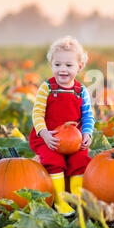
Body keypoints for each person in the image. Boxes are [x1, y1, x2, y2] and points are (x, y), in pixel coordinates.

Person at [29, 36, 95, 216]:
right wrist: (44, 134)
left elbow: (88, 115)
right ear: (51, 65)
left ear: (79, 67)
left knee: (80, 161)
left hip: (74, 139)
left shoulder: (81, 90)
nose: (62, 70)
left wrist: (87, 133)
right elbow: (37, 113)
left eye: (68, 65)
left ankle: (77, 197)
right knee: (54, 161)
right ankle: (60, 200)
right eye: (57, 65)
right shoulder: (47, 88)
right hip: (49, 137)